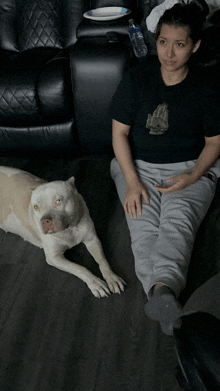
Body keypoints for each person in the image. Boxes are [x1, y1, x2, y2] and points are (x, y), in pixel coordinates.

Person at [110, 0, 220, 335]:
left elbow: (215, 143)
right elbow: (119, 134)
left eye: (180, 44)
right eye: (162, 42)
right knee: (142, 231)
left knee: (176, 228)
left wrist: (192, 176)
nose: (169, 53)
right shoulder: (137, 77)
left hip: (189, 169)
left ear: (195, 46)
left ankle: (161, 295)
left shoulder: (206, 86)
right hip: (137, 167)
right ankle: (164, 294)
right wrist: (132, 181)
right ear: (155, 40)